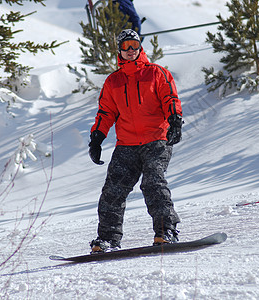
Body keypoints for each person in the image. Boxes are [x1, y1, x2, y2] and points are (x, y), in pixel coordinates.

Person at [88, 29, 183, 253]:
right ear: (119, 50)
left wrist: (175, 121)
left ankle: (166, 231)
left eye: (134, 45)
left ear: (140, 47)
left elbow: (169, 98)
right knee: (113, 190)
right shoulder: (113, 81)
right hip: (127, 144)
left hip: (156, 139)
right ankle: (108, 239)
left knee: (152, 183)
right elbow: (106, 112)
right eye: (126, 46)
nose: (131, 50)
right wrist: (97, 138)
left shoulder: (157, 73)